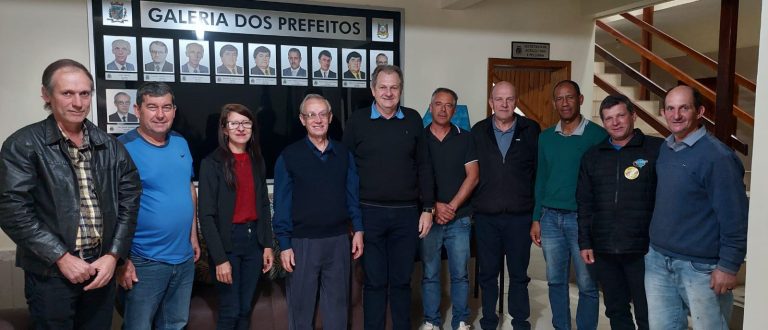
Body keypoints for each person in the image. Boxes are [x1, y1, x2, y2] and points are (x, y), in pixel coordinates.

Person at [0, 59, 141, 328]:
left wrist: (114, 256)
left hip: (101, 269)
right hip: (51, 274)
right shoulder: (23, 144)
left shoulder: (110, 146)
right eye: (67, 93)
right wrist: (61, 257)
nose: (78, 102)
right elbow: (11, 209)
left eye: (84, 93)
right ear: (46, 94)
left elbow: (130, 201)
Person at [645, 85, 748, 330]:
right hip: (658, 261)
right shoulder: (666, 148)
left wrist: (729, 266)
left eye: (684, 108)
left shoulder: (718, 157)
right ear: (663, 112)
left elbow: (735, 216)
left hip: (700, 268)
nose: (676, 115)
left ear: (699, 111)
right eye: (670, 108)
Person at [343, 65, 434, 330]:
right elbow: (346, 171)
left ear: (401, 90)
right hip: (368, 213)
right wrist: (351, 217)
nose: (388, 92)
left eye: (394, 87)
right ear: (373, 89)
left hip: (406, 215)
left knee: (402, 281)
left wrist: (427, 207)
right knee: (374, 282)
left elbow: (425, 165)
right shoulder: (357, 121)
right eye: (382, 87)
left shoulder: (414, 119)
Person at [273, 94, 364, 329]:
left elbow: (352, 197)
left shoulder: (344, 154)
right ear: (303, 120)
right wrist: (284, 245)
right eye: (311, 115)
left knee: (337, 311)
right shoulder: (289, 157)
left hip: (338, 241)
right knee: (301, 312)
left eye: (322, 114)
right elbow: (281, 205)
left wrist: (359, 230)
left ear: (331, 118)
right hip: (302, 243)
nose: (318, 120)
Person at [116, 82, 201, 330]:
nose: (160, 114)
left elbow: (188, 187)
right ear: (137, 110)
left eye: (166, 107)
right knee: (138, 326)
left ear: (174, 110)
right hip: (144, 260)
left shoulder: (180, 142)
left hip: (183, 258)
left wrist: (193, 235)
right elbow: (112, 207)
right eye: (152, 107)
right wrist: (122, 260)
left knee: (175, 324)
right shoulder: (122, 148)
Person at [576, 94, 662, 330]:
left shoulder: (656, 150)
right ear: (603, 122)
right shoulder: (592, 157)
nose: (615, 123)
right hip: (604, 249)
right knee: (616, 310)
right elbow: (584, 203)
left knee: (647, 312)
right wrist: (585, 242)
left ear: (633, 115)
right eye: (608, 118)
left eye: (620, 116)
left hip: (644, 250)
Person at [531, 80, 606, 330]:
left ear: (580, 99)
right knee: (555, 281)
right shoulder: (545, 138)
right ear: (554, 103)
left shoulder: (598, 136)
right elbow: (541, 178)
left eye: (570, 97)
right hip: (550, 218)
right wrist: (536, 217)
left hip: (581, 219)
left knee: (587, 284)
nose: (565, 103)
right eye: (560, 99)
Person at [198, 104, 275, 330]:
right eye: (234, 123)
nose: (241, 128)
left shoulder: (257, 160)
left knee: (244, 310)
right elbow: (206, 215)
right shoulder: (211, 164)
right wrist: (220, 259)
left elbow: (262, 204)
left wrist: (267, 245)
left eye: (246, 123)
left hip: (253, 244)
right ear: (224, 129)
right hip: (227, 244)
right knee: (230, 312)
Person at [472, 81, 540, 330]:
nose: (504, 104)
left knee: (519, 275)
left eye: (509, 99)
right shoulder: (478, 131)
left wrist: (536, 214)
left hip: (519, 217)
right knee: (488, 274)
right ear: (491, 102)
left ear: (516, 101)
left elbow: (537, 173)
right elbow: (470, 173)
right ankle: (489, 320)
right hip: (486, 217)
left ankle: (520, 321)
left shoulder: (531, 129)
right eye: (498, 99)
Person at [420, 88, 478, 330]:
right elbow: (414, 178)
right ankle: (431, 321)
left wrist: (451, 207)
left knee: (460, 274)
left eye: (449, 105)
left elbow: (472, 177)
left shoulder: (466, 137)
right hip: (429, 219)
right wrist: (435, 207)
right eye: (438, 104)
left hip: (460, 219)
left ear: (455, 109)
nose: (443, 109)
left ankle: (461, 320)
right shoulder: (419, 138)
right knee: (430, 273)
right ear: (430, 106)